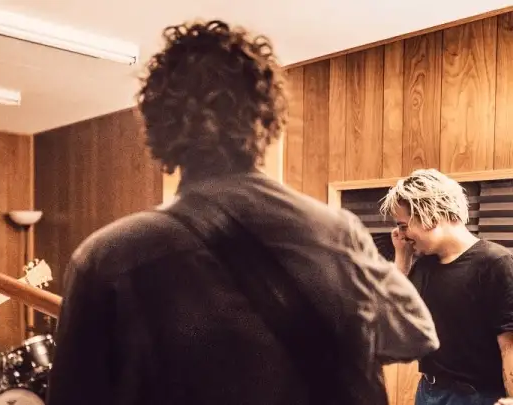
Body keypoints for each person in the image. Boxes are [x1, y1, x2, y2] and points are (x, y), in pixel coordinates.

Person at [46, 20, 439, 405]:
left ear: (157, 126)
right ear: (265, 119)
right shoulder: (336, 232)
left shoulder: (106, 257)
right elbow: (414, 334)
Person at [381, 169, 513, 405]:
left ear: (430, 215)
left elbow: (509, 345)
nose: (401, 234)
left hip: (478, 396)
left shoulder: (496, 263)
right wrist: (402, 257)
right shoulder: (424, 266)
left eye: (403, 225)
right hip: (429, 391)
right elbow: (391, 318)